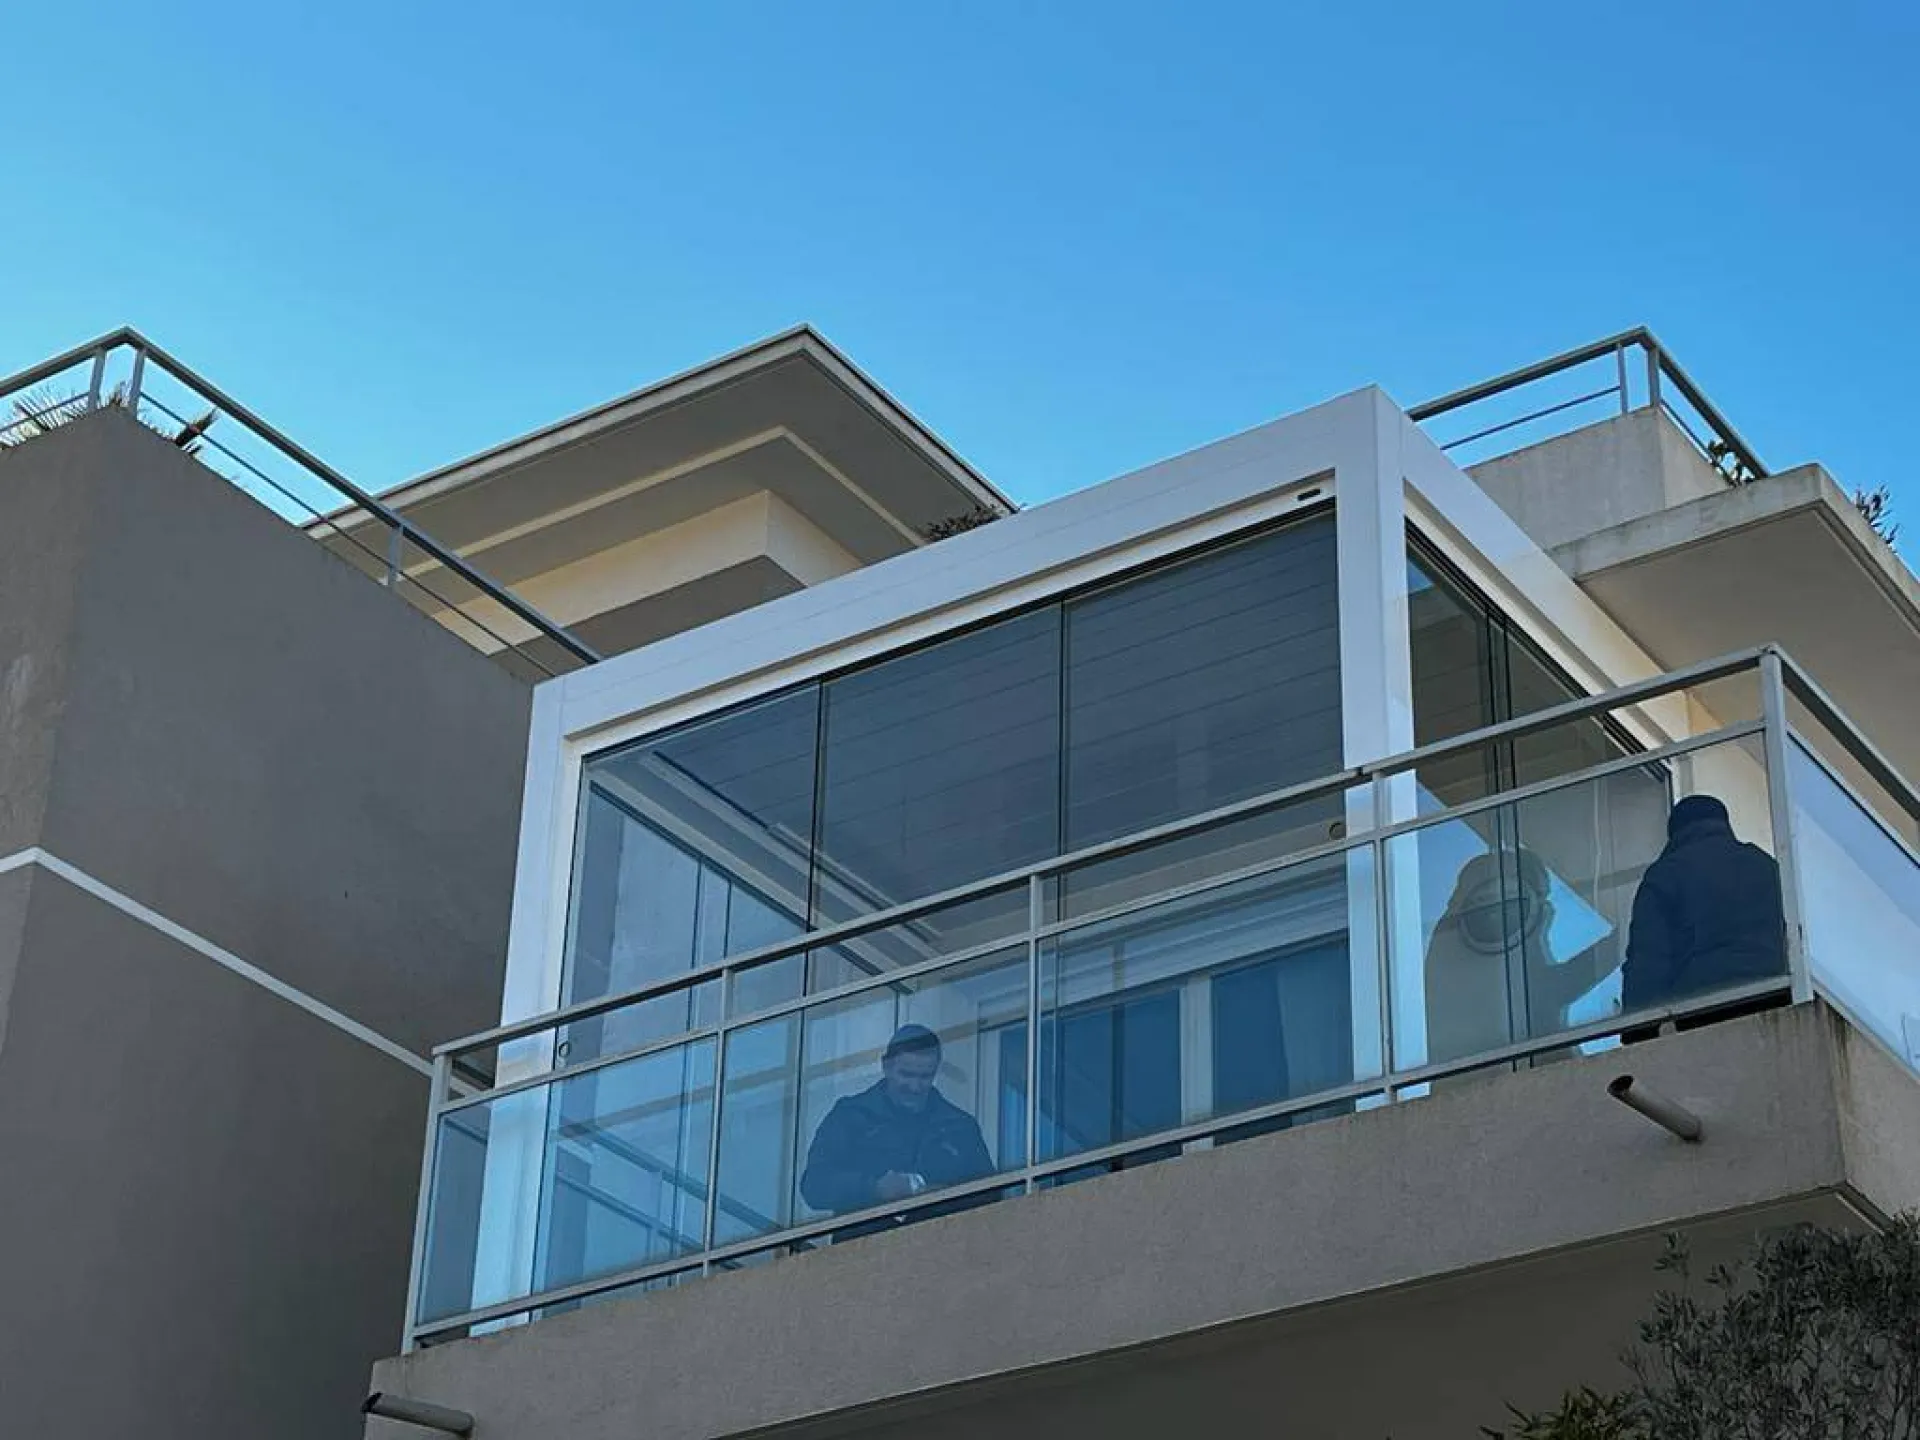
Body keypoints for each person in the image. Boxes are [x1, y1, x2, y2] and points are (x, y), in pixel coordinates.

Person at [1424, 847, 1619, 1066]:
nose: (1545, 903)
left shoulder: (1451, 932)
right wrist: (1619, 943)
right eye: (1540, 893)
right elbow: (1544, 992)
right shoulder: (1502, 924)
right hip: (1521, 1063)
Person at [800, 1025, 993, 1231]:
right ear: (886, 1066)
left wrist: (943, 1196)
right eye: (907, 1075)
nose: (915, 1086)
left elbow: (991, 1196)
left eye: (925, 1077)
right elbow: (814, 1185)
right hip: (864, 1252)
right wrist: (875, 1188)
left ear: (936, 1071)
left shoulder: (961, 1127)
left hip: (942, 1250)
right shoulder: (851, 1116)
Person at [1623, 795, 1786, 1023]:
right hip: (1776, 997)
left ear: (1674, 833)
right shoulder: (1765, 866)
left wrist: (1637, 1028)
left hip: (1704, 1004)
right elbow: (1795, 937)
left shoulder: (1667, 874)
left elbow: (1649, 958)